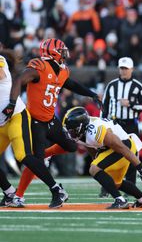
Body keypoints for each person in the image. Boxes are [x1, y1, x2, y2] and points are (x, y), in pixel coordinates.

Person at [6, 38, 102, 207]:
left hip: (51, 119)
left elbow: (71, 84)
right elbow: (21, 79)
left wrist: (91, 94)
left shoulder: (62, 70)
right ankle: (20, 195)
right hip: (35, 122)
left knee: (71, 146)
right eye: (62, 50)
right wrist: (12, 102)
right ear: (53, 53)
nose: (65, 53)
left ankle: (45, 157)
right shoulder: (39, 66)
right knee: (36, 162)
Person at [0, 49, 67, 208]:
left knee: (24, 155)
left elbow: (1, 75)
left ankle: (57, 190)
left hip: (15, 115)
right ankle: (10, 193)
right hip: (1, 122)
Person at [63, 106, 142, 209]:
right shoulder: (83, 131)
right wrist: (100, 172)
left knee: (93, 169)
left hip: (124, 146)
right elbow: (90, 146)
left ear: (80, 127)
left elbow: (122, 148)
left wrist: (141, 169)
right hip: (110, 148)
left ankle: (120, 200)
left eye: (72, 131)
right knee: (115, 183)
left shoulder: (97, 130)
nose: (70, 134)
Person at [100, 57, 142, 197]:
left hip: (131, 124)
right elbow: (105, 106)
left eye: (126, 68)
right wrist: (103, 122)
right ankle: (107, 186)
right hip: (115, 124)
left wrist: (131, 104)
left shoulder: (138, 86)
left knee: (132, 155)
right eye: (121, 68)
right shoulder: (112, 85)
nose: (123, 71)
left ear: (132, 69)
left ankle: (131, 187)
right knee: (109, 154)